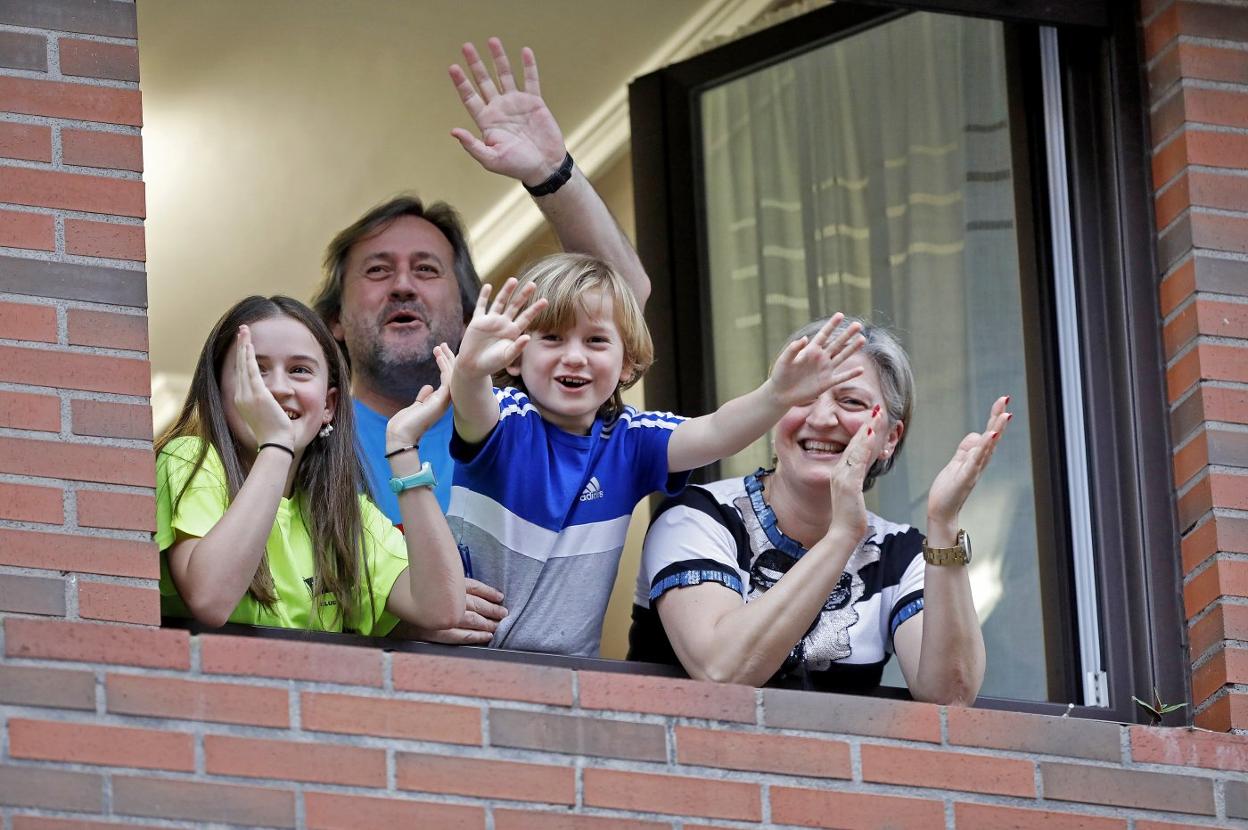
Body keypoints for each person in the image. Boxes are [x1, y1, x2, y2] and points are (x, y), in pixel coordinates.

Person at [311, 38, 647, 643]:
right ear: (334, 319)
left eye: (428, 269)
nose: (404, 285)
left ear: (471, 314)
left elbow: (622, 302)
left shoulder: (526, 419)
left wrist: (552, 174)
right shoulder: (307, 432)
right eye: (378, 270)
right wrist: (415, 604)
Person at [442, 254, 865, 657]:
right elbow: (473, 405)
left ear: (627, 363)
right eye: (552, 338)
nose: (574, 356)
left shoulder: (630, 440)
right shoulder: (505, 418)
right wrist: (471, 367)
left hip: (570, 675)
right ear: (516, 355)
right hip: (463, 660)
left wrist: (777, 395)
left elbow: (717, 430)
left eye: (596, 340)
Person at [628, 316, 1010, 704]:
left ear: (889, 438)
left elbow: (951, 696)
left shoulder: (902, 554)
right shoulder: (698, 515)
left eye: (851, 402)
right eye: (804, 396)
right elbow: (722, 671)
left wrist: (944, 525)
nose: (822, 418)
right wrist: (843, 536)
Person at [155, 295, 465, 636]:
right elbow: (210, 599)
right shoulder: (189, 457)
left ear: (329, 406)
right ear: (220, 393)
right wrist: (276, 444)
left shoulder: (344, 513)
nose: (277, 388)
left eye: (299, 370)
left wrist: (404, 449)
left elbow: (441, 607)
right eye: (255, 371)